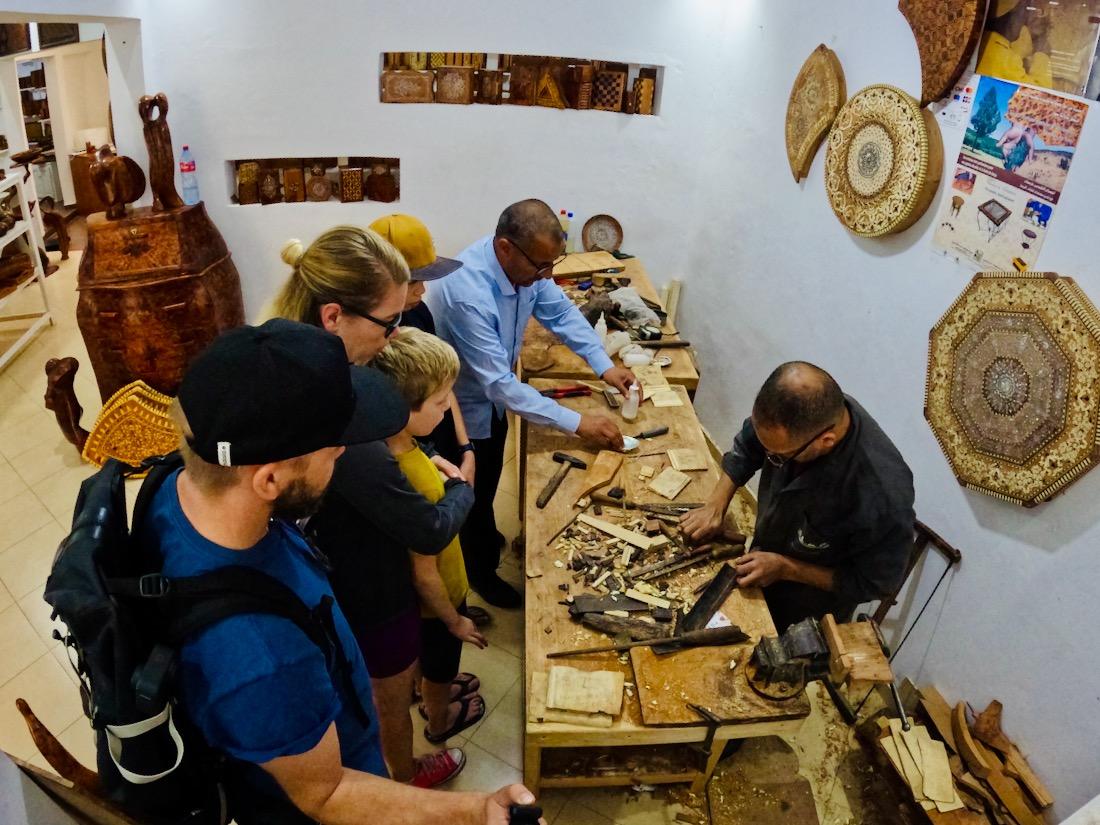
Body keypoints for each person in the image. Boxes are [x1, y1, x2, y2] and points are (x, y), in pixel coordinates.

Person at [143, 318, 539, 824]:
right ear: (268, 479)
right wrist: (474, 810)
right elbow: (326, 793)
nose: (345, 455)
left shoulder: (185, 486)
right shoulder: (263, 657)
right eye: (336, 448)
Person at [429, 199, 637, 607]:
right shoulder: (468, 292)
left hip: (490, 403)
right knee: (470, 490)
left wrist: (602, 365)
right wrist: (578, 423)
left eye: (552, 265)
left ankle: (484, 539)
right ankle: (479, 573)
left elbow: (560, 311)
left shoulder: (527, 267)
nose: (547, 275)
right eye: (540, 267)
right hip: (458, 409)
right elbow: (500, 385)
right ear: (505, 248)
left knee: (486, 480)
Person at [680, 361, 915, 633]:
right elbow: (749, 445)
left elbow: (875, 583)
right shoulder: (802, 413)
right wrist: (716, 506)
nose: (770, 457)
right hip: (766, 558)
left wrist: (785, 568)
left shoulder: (881, 495)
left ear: (826, 440)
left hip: (807, 606)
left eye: (777, 456)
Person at [370, 213, 491, 627]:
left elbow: (444, 385)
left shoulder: (418, 314)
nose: (422, 290)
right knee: (426, 549)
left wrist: (466, 445)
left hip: (430, 439)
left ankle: (454, 598)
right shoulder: (375, 339)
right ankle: (442, 618)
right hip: (413, 444)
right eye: (413, 282)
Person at [371, 328, 489, 747]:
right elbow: (425, 575)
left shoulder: (393, 448)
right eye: (440, 402)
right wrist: (455, 620)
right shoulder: (413, 482)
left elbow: (421, 449)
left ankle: (424, 690)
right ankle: (440, 718)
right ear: (402, 407)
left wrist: (434, 459)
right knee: (441, 666)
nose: (445, 411)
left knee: (425, 659)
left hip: (415, 607)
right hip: (437, 602)